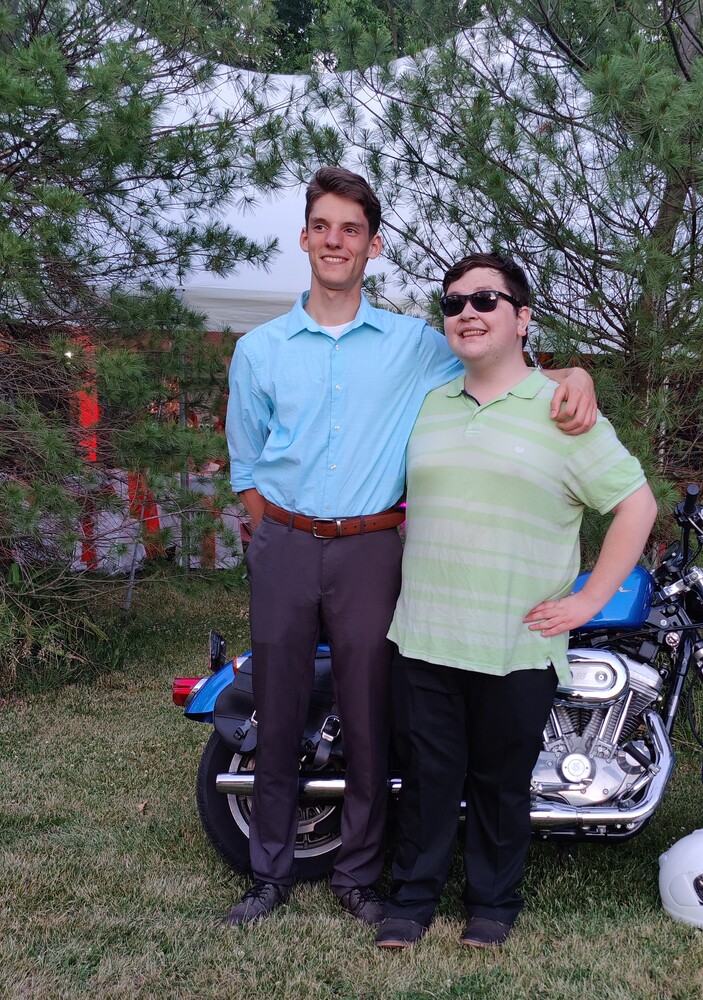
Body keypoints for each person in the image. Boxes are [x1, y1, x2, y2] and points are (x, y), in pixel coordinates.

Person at [222, 170, 597, 927]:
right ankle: (268, 873)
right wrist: (265, 526)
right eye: (322, 226)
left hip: (371, 551)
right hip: (288, 544)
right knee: (280, 712)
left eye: (351, 229)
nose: (335, 241)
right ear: (304, 238)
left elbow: (500, 363)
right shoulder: (258, 350)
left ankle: (359, 875)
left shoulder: (412, 345)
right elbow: (245, 462)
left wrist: (574, 373)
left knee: (369, 720)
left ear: (373, 245)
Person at [376, 253, 658, 949]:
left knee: (502, 783)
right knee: (427, 777)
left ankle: (493, 905)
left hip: (516, 640)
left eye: (486, 299)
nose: (467, 312)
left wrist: (591, 598)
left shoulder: (563, 411)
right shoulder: (429, 403)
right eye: (453, 303)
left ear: (523, 317)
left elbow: (636, 505)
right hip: (424, 633)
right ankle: (411, 901)